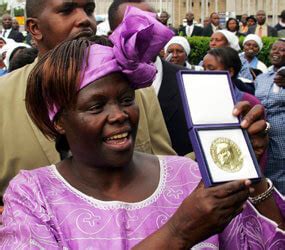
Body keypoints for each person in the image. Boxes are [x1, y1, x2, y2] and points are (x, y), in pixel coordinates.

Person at [1, 7, 284, 249]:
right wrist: (178, 233)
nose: (119, 115)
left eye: (126, 100)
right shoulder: (33, 195)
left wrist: (247, 170)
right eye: (96, 107)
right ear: (60, 121)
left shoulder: (189, 176)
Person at [0, 0, 175, 202]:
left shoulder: (137, 89)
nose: (84, 20)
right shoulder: (4, 96)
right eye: (66, 11)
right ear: (34, 28)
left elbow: (166, 169)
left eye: (89, 10)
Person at [108, 0, 194, 156]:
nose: (147, 34)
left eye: (152, 25)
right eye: (135, 27)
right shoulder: (102, 84)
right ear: (112, 35)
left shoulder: (189, 80)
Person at [255, 38, 285, 194]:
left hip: (281, 134)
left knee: (281, 170)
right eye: (274, 49)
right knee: (264, 170)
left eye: (281, 50)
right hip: (262, 133)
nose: (276, 52)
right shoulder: (261, 78)